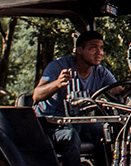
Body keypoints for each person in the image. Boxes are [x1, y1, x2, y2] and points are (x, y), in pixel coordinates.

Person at [34, 31, 117, 166]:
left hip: (80, 124)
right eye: (93, 48)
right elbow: (37, 95)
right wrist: (57, 84)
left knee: (107, 131)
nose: (99, 52)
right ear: (79, 50)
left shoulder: (100, 72)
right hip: (51, 126)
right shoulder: (59, 66)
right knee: (70, 136)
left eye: (101, 48)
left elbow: (117, 91)